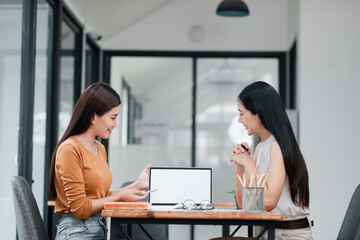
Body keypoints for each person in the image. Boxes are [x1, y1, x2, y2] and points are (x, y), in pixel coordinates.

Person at [48, 82, 151, 239]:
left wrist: (136, 185)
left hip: (99, 228)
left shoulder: (100, 148)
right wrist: (120, 196)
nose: (115, 124)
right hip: (76, 232)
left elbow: (100, 197)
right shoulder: (70, 149)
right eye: (113, 118)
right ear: (93, 116)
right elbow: (81, 209)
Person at [230, 81, 312, 239]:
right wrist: (239, 165)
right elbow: (246, 204)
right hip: (269, 232)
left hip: (287, 235)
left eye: (241, 114)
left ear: (258, 113)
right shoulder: (262, 148)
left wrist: (248, 163)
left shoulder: (277, 146)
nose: (239, 121)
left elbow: (267, 202)